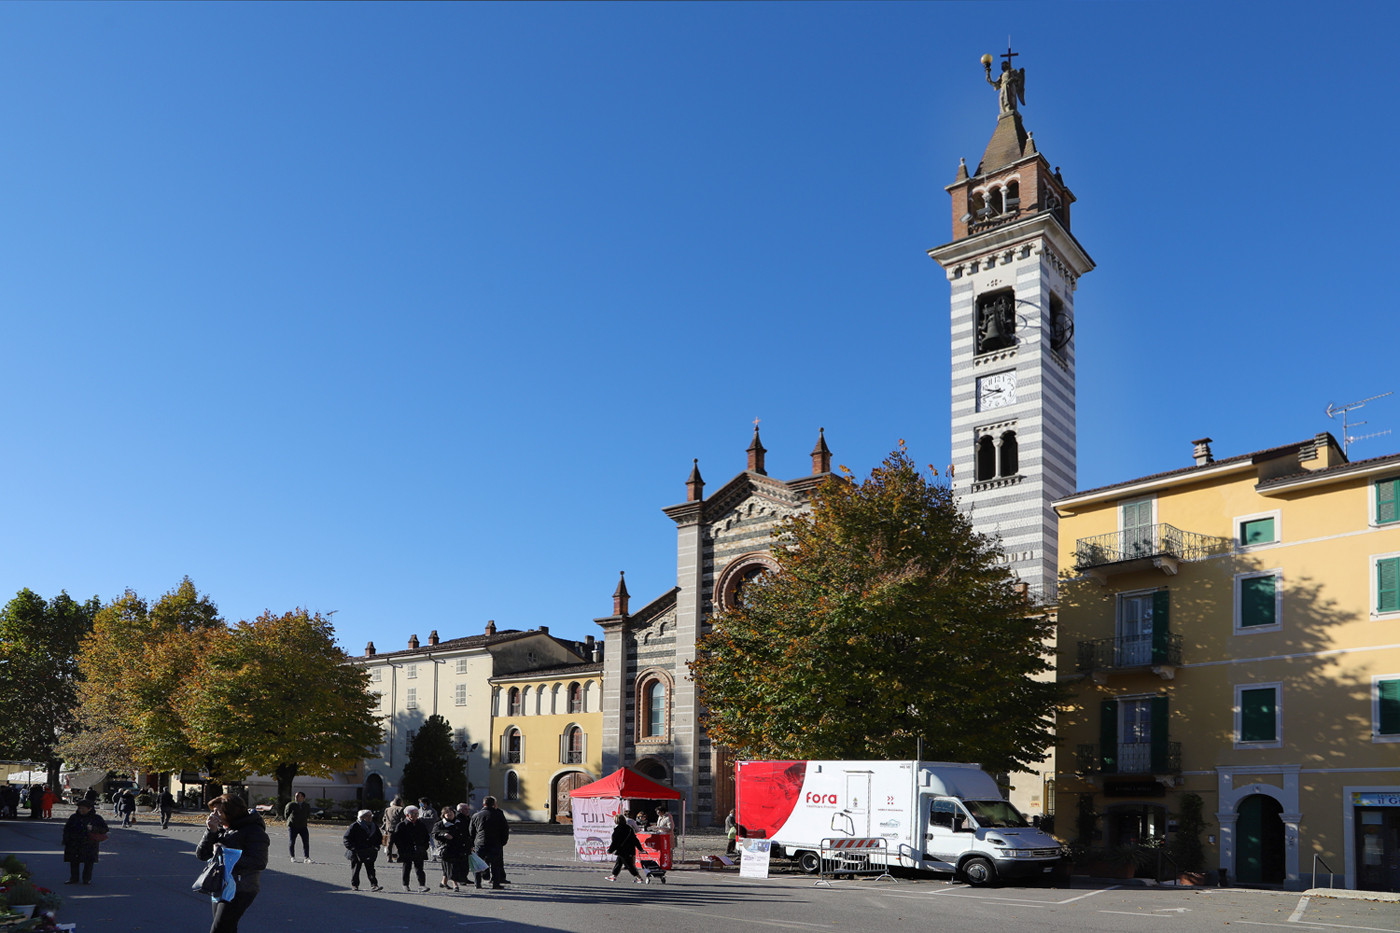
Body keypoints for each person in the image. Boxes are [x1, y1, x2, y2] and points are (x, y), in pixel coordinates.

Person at [196, 794, 269, 933]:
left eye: (219, 811)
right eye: (213, 811)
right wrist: (210, 831)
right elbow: (202, 854)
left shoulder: (254, 831)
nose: (214, 815)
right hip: (219, 884)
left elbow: (259, 862)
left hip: (241, 887)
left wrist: (225, 855)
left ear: (232, 812)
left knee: (219, 929)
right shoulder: (222, 828)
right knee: (227, 928)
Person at [62, 799, 109, 885]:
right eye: (79, 808)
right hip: (74, 843)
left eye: (83, 808)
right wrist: (66, 840)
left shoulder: (96, 818)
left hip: (89, 843)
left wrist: (93, 828)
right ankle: (74, 878)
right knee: (74, 861)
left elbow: (105, 829)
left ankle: (87, 879)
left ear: (89, 808)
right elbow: (67, 829)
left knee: (89, 862)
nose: (81, 810)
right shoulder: (74, 817)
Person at [467, 795, 510, 889]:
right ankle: (496, 883)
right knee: (496, 864)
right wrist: (503, 841)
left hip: (480, 842)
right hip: (495, 842)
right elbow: (505, 829)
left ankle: (477, 883)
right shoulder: (499, 814)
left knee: (478, 863)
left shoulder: (476, 815)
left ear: (484, 804)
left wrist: (472, 843)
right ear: (494, 804)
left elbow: (471, 831)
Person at [392, 805, 431, 893]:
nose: (415, 815)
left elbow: (426, 837)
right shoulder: (401, 825)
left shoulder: (421, 824)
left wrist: (424, 846)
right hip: (406, 849)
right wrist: (401, 848)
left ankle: (422, 885)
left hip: (419, 849)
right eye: (413, 814)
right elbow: (397, 838)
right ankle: (405, 884)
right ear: (407, 815)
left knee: (419, 868)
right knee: (407, 867)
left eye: (417, 813)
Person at [343, 809, 383, 892]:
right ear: (362, 817)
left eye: (371, 815)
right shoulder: (354, 826)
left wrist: (376, 847)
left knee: (371, 869)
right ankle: (355, 885)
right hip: (357, 851)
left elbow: (379, 837)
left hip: (370, 850)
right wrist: (353, 848)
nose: (370, 817)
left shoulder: (373, 825)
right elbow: (346, 839)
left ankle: (374, 885)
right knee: (356, 869)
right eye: (368, 816)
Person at [432, 803, 469, 891]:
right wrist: (444, 834)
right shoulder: (440, 824)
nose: (449, 815)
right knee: (452, 867)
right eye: (447, 813)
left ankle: (443, 882)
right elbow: (434, 834)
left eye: (451, 813)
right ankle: (455, 884)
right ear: (443, 815)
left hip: (459, 848)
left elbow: (466, 835)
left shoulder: (459, 823)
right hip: (446, 849)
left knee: (450, 867)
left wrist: (469, 846)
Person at [606, 812, 643, 883]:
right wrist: (640, 848)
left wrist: (610, 850)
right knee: (619, 862)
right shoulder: (629, 829)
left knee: (629, 865)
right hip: (630, 849)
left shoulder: (617, 829)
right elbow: (635, 840)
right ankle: (614, 875)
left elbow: (615, 842)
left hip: (622, 850)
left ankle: (638, 877)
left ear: (616, 821)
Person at [283, 791, 312, 862]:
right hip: (293, 826)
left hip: (303, 826)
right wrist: (291, 821)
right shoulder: (291, 805)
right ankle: (292, 857)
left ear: (303, 797)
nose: (296, 797)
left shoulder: (306, 805)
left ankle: (306, 857)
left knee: (306, 842)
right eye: (295, 796)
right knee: (292, 841)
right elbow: (286, 814)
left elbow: (308, 814)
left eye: (298, 796)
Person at [382, 795, 406, 862]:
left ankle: (389, 857)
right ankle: (400, 857)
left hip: (389, 828)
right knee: (399, 844)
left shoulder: (387, 809)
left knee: (389, 844)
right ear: (400, 802)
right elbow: (403, 819)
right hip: (398, 829)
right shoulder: (401, 809)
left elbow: (384, 819)